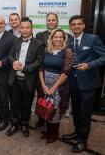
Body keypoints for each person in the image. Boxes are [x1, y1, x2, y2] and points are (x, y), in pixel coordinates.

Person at [62, 15, 105, 153]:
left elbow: (103, 56)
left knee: (85, 113)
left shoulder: (93, 39)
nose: (76, 26)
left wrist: (89, 65)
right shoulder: (68, 41)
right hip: (73, 82)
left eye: (79, 24)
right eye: (73, 24)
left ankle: (82, 141)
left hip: (88, 83)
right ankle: (77, 131)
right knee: (76, 111)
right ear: (70, 26)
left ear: (83, 25)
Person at [6, 17, 44, 137]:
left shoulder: (39, 44)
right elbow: (10, 55)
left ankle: (24, 125)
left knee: (27, 104)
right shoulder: (16, 41)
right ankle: (14, 124)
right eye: (22, 27)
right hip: (15, 79)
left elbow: (39, 61)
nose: (24, 30)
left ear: (31, 28)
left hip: (29, 80)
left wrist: (24, 68)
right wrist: (13, 63)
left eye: (27, 27)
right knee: (15, 103)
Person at [38, 29, 73, 143]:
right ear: (51, 38)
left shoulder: (67, 52)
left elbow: (66, 73)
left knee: (55, 110)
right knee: (47, 108)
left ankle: (54, 133)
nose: (58, 39)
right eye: (55, 37)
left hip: (59, 86)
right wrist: (43, 86)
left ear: (64, 39)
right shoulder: (46, 50)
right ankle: (48, 131)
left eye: (60, 37)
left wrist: (53, 88)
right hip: (45, 85)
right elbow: (40, 68)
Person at [35, 12, 60, 128]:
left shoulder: (64, 36)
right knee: (41, 97)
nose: (51, 22)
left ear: (57, 21)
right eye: (49, 20)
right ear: (46, 22)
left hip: (57, 75)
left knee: (55, 100)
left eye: (53, 20)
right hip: (42, 74)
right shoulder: (40, 35)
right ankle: (41, 119)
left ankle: (52, 123)